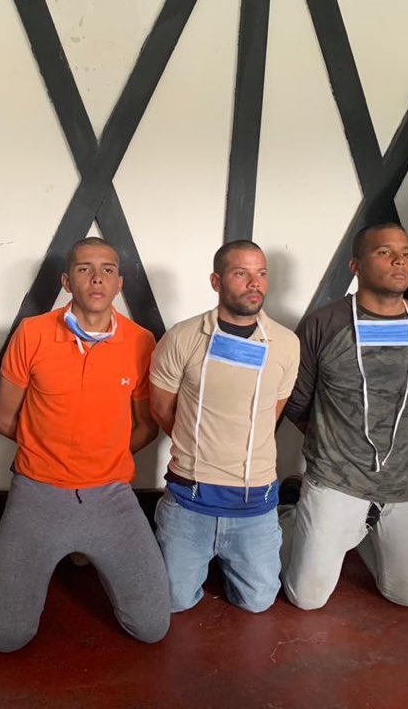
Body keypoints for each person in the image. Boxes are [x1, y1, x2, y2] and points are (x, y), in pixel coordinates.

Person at [0, 238, 170, 652]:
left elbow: (146, 427)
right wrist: (50, 455)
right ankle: (74, 548)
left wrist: (101, 455)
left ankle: (85, 548)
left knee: (152, 627)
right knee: (7, 638)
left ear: (119, 283)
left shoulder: (141, 341)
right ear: (67, 282)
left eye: (108, 269)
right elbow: (3, 419)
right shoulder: (32, 333)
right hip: (38, 492)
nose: (97, 278)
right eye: (85, 269)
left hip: (111, 494)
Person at [281, 224, 408, 609]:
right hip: (336, 479)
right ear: (355, 265)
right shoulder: (323, 325)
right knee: (306, 599)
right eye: (384, 252)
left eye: (406, 253)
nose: (399, 261)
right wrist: (335, 442)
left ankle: (360, 531)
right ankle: (292, 513)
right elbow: (298, 402)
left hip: (407, 484)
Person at [149, 241, 300, 613]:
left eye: (261, 273)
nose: (254, 282)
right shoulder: (182, 337)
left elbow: (270, 414)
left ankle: (286, 518)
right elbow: (161, 408)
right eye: (241, 273)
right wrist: (198, 445)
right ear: (216, 281)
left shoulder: (286, 344)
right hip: (190, 499)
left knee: (258, 603)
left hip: (254, 501)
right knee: (173, 602)